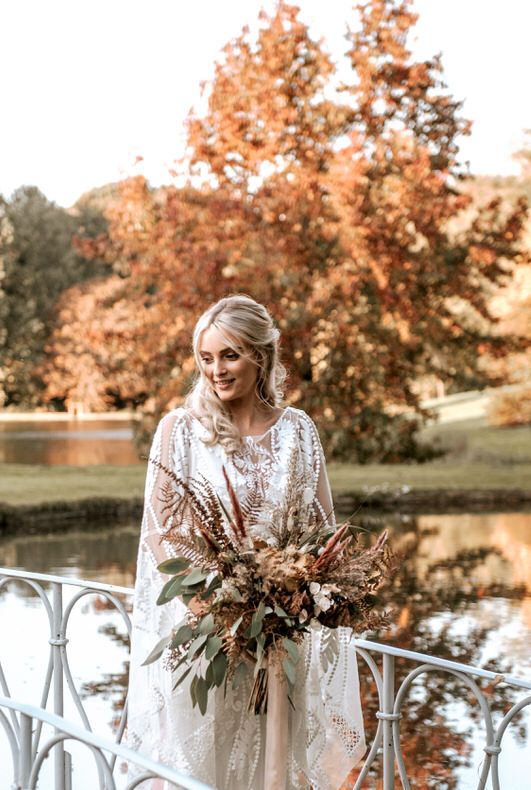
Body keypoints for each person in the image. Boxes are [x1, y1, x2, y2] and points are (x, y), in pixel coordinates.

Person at [125, 295, 366, 789]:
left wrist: (300, 593)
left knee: (273, 763)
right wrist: (207, 609)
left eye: (230, 355)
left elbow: (322, 529)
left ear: (261, 355)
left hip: (280, 641)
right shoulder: (180, 430)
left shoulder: (298, 431)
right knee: (202, 762)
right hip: (208, 635)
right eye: (207, 358)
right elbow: (159, 531)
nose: (216, 370)